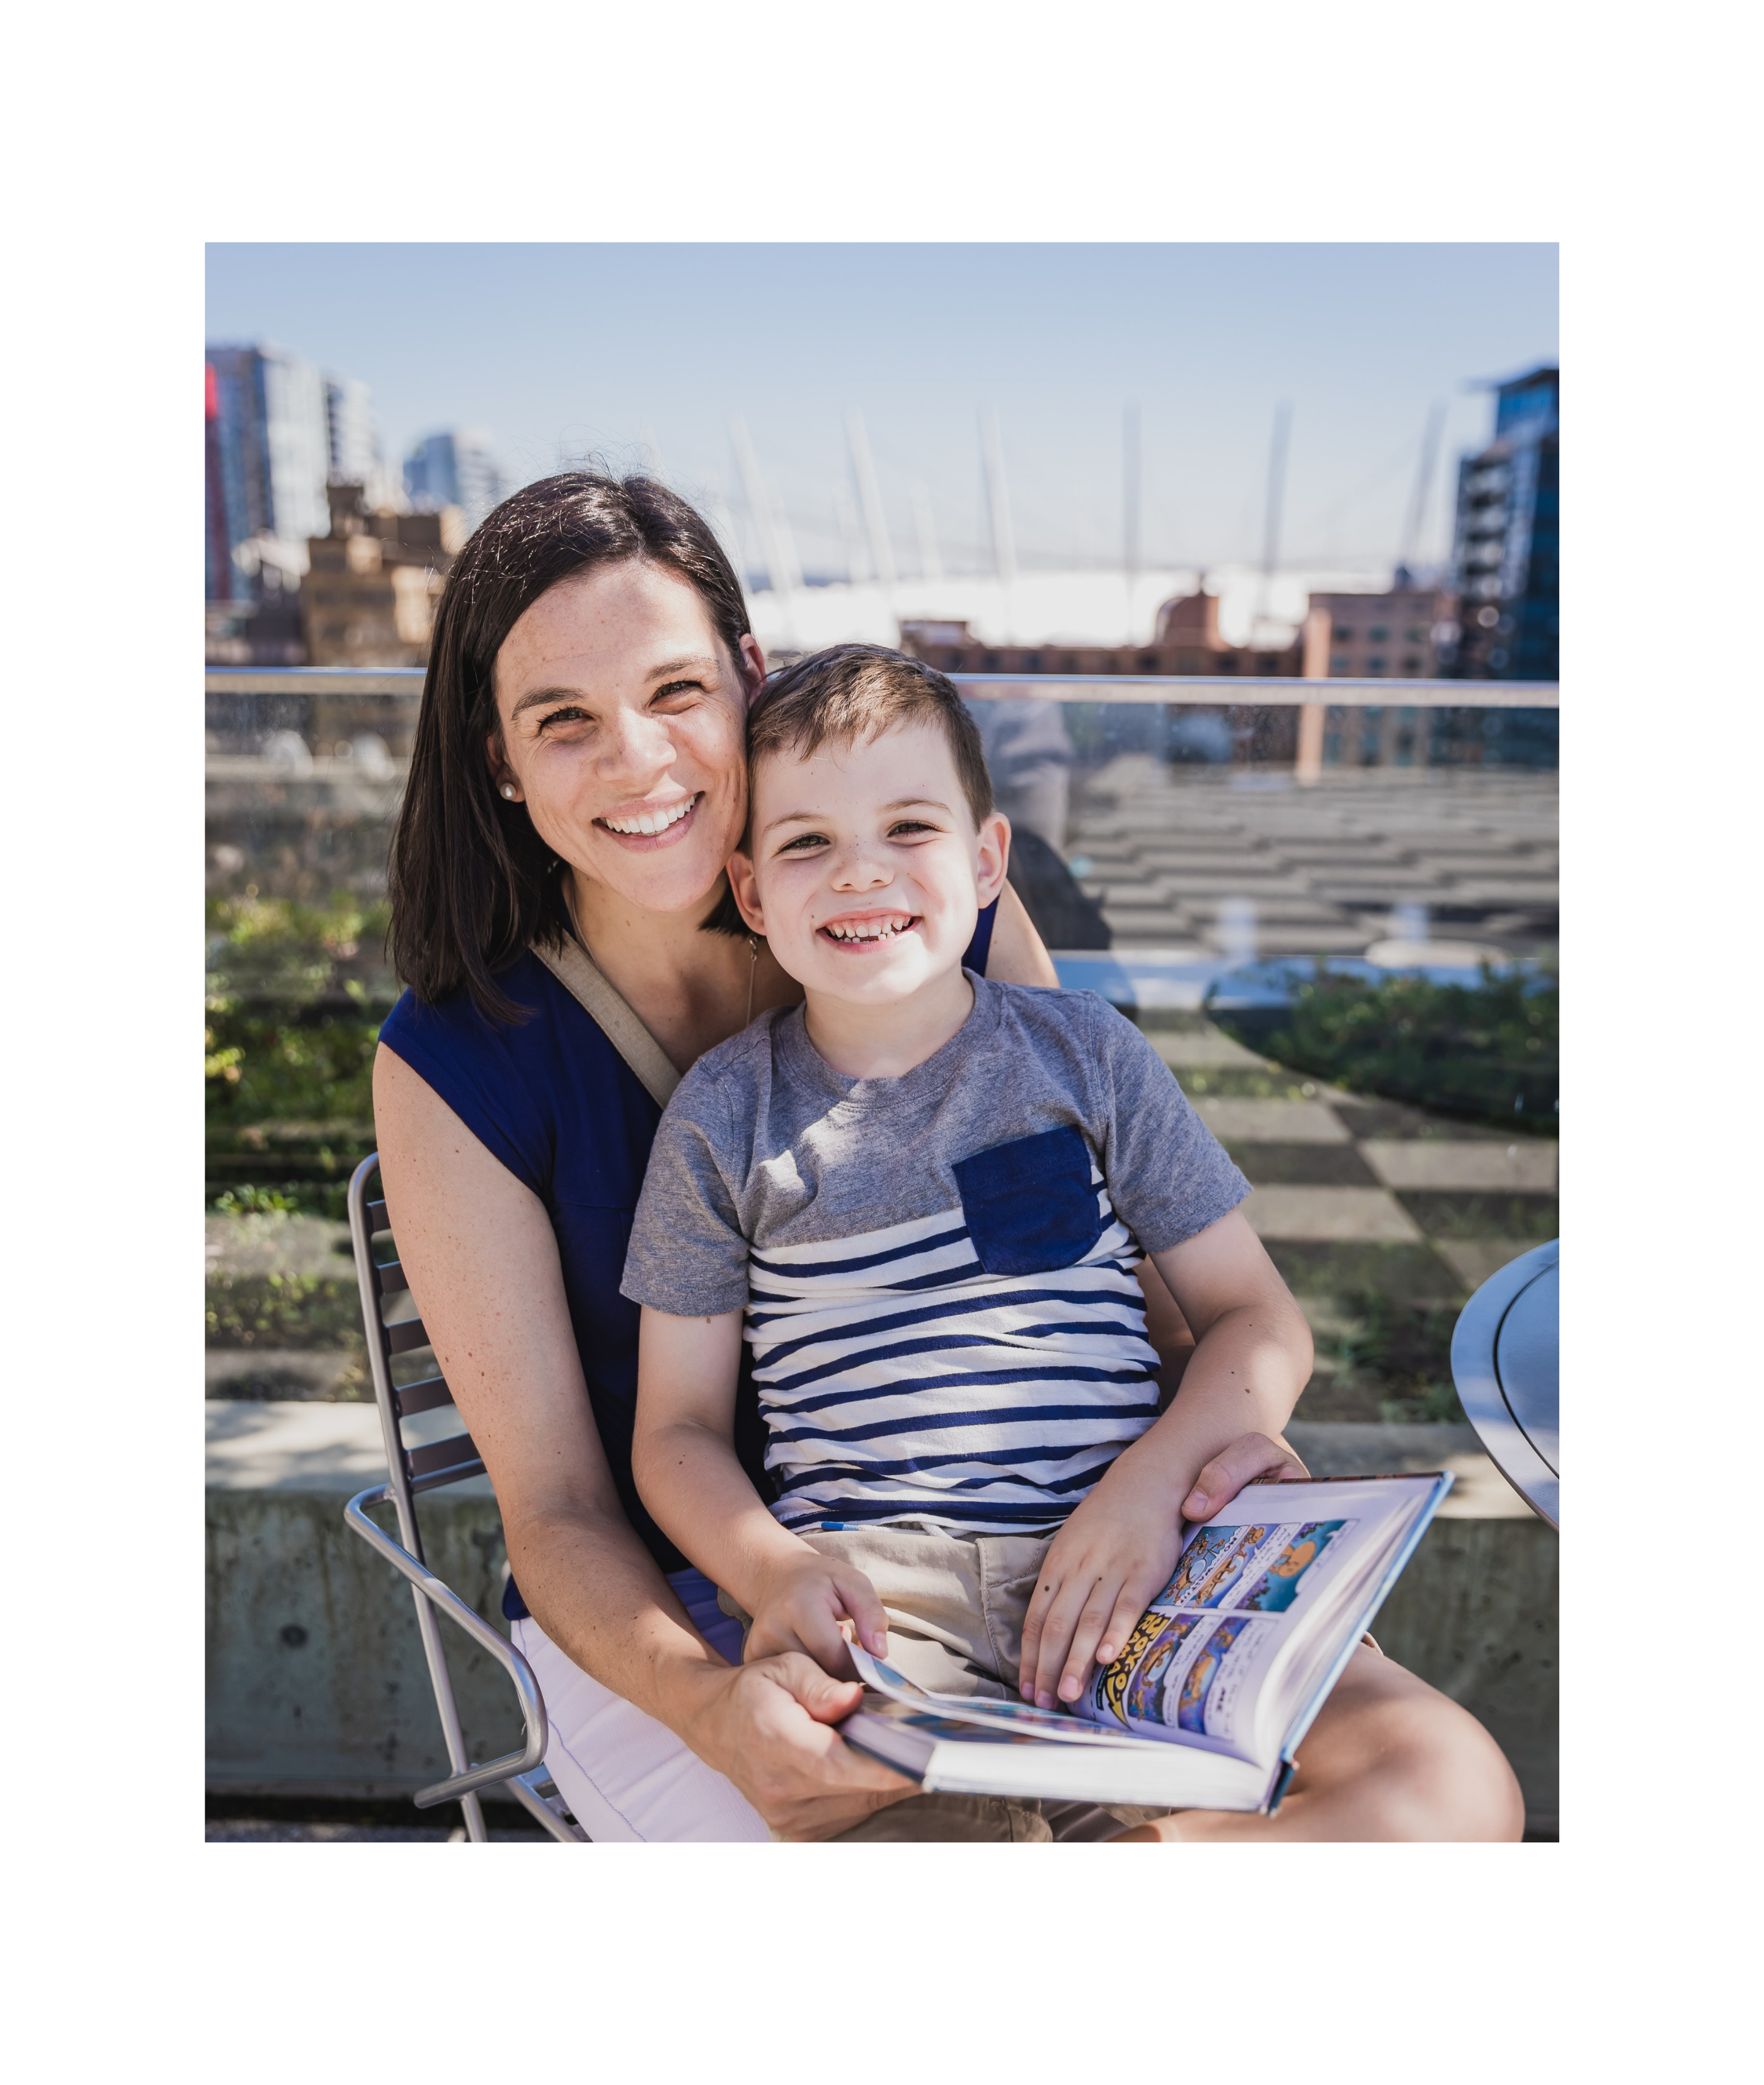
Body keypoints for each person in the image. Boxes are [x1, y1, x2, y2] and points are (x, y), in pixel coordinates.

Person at [375, 471, 1160, 1844]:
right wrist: (707, 1708)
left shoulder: (926, 913)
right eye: (563, 722)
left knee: (1436, 1792)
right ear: (498, 762)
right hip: (671, 1618)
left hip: (1053, 1547)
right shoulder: (459, 1063)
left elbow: (1125, 1269)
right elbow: (556, 1508)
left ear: (750, 673)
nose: (637, 759)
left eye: (677, 691)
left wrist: (1186, 1488)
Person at [627, 645, 1524, 1842]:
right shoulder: (722, 1115)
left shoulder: (1085, 1056)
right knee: (907, 1835)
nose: (860, 874)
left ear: (986, 860)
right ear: (750, 894)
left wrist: (1151, 1486)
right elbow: (675, 1433)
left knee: (1454, 1785)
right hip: (890, 1612)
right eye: (805, 844)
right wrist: (773, 1574)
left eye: (910, 828)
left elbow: (1259, 1322)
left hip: (1146, 1566)